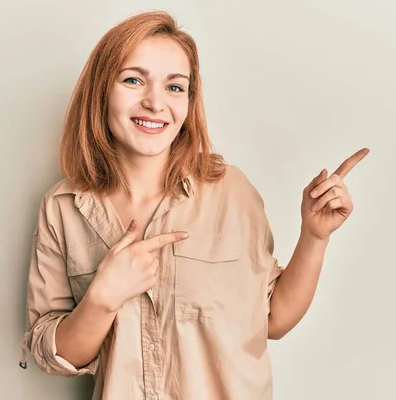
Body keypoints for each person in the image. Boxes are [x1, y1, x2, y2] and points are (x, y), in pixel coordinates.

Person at [19, 10, 369, 400]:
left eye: (174, 87)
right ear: (101, 90)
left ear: (188, 101)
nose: (155, 103)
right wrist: (103, 297)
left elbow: (274, 318)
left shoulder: (231, 190)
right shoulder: (63, 207)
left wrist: (315, 236)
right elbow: (52, 354)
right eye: (133, 80)